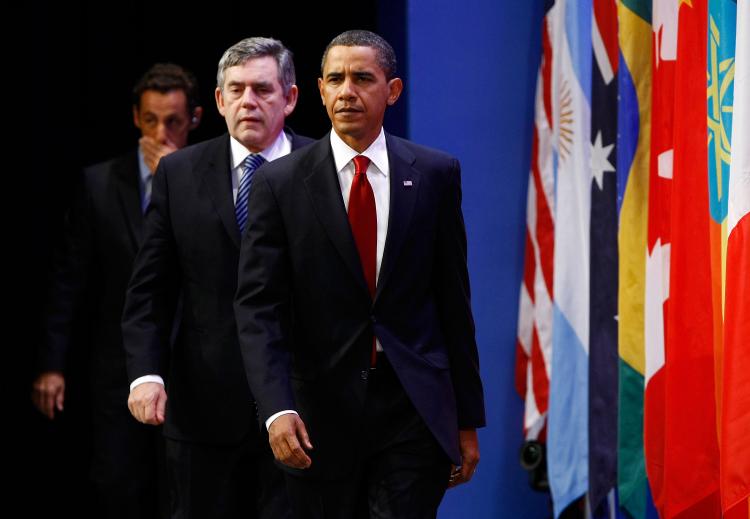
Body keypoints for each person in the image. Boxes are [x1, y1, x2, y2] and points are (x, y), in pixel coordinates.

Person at [234, 30, 486, 518]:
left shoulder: (434, 174)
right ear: (320, 91)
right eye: (335, 79)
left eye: (362, 78)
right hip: (317, 413)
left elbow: (453, 301)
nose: (347, 90)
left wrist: (466, 419)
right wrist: (276, 409)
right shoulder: (279, 183)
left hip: (411, 408)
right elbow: (257, 308)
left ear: (391, 90)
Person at [122, 37, 311, 519]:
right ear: (220, 100)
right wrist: (146, 373)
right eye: (237, 89)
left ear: (289, 98)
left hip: (302, 409)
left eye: (263, 90)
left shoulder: (323, 170)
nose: (249, 101)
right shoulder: (178, 173)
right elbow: (150, 290)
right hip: (202, 412)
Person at [31, 62, 203, 518]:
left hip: (194, 367)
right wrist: (51, 364)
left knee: (184, 491)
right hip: (117, 366)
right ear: (135, 118)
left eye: (173, 122)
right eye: (151, 121)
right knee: (117, 484)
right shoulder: (100, 183)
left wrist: (178, 183)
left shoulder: (211, 181)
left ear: (196, 120)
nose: (160, 132)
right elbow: (69, 278)